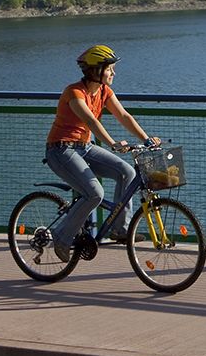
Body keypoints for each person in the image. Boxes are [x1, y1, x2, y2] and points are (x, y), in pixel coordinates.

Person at [42, 45, 157, 257]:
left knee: (127, 173)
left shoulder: (104, 91)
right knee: (94, 193)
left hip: (84, 147)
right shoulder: (74, 93)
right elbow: (91, 121)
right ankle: (61, 238)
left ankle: (120, 230)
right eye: (110, 69)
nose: (113, 73)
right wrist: (113, 143)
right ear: (96, 71)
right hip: (61, 150)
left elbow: (124, 116)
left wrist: (147, 139)